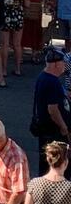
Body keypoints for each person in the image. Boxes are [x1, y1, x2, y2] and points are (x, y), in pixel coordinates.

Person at [32, 47, 71, 177]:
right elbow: (53, 110)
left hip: (46, 130)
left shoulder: (43, 77)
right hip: (53, 132)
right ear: (55, 64)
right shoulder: (51, 82)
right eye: (63, 63)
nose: (65, 66)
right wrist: (63, 127)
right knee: (57, 165)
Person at [2, 0, 30, 76]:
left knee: (4, 44)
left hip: (6, 16)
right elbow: (27, 4)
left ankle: (3, 70)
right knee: (17, 44)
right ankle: (18, 69)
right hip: (18, 16)